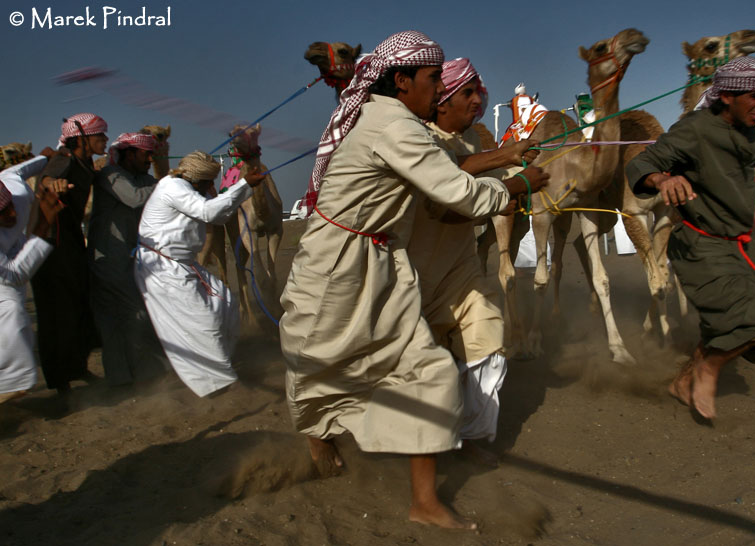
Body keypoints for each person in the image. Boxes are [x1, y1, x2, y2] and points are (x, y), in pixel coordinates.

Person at [281, 31, 548, 529]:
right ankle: (317, 433)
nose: (438, 88)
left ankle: (424, 502)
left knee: (429, 370)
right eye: (432, 79)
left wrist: (506, 162)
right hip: (336, 265)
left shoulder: (405, 125)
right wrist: (518, 185)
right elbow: (459, 191)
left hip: (384, 262)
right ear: (402, 82)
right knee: (320, 359)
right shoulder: (392, 127)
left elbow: (453, 165)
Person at [626, 57, 755, 420]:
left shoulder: (745, 129)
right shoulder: (695, 129)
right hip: (703, 244)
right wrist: (663, 180)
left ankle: (682, 382)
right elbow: (642, 163)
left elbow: (753, 149)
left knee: (728, 323)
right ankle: (708, 371)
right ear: (727, 95)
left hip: (743, 245)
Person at [407, 58, 543, 464]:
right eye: (466, 93)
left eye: (476, 91)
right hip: (412, 269)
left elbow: (462, 164)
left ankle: (469, 436)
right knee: (417, 366)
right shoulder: (414, 140)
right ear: (442, 103)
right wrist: (514, 182)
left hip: (459, 266)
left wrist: (507, 155)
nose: (477, 100)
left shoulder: (470, 142)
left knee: (486, 338)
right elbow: (447, 195)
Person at [134, 151, 265, 397]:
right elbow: (208, 213)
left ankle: (221, 366)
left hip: (181, 264)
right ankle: (213, 383)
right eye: (208, 182)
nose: (211, 186)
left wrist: (243, 189)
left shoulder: (189, 190)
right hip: (162, 268)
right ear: (198, 179)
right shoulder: (173, 187)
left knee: (224, 303)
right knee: (202, 320)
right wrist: (245, 185)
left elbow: (218, 214)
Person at [32, 113, 108, 393]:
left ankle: (77, 368)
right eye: (100, 135)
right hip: (52, 245)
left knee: (80, 306)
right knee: (56, 313)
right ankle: (58, 383)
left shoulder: (82, 161)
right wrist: (52, 184)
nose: (105, 140)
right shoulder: (64, 159)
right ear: (83, 138)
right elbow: (47, 179)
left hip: (70, 242)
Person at [88, 132, 168, 387]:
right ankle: (134, 376)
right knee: (130, 316)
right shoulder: (109, 176)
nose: (150, 159)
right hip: (108, 260)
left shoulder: (143, 178)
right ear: (130, 153)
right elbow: (134, 197)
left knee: (126, 318)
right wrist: (168, 183)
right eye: (146, 154)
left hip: (129, 259)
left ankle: (127, 377)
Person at [1, 159, 71, 403]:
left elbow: (16, 170)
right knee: (10, 310)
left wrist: (47, 159)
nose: (12, 214)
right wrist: (46, 222)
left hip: (9, 260)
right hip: (6, 271)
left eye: (9, 205)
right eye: (3, 212)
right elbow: (14, 275)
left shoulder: (16, 193)